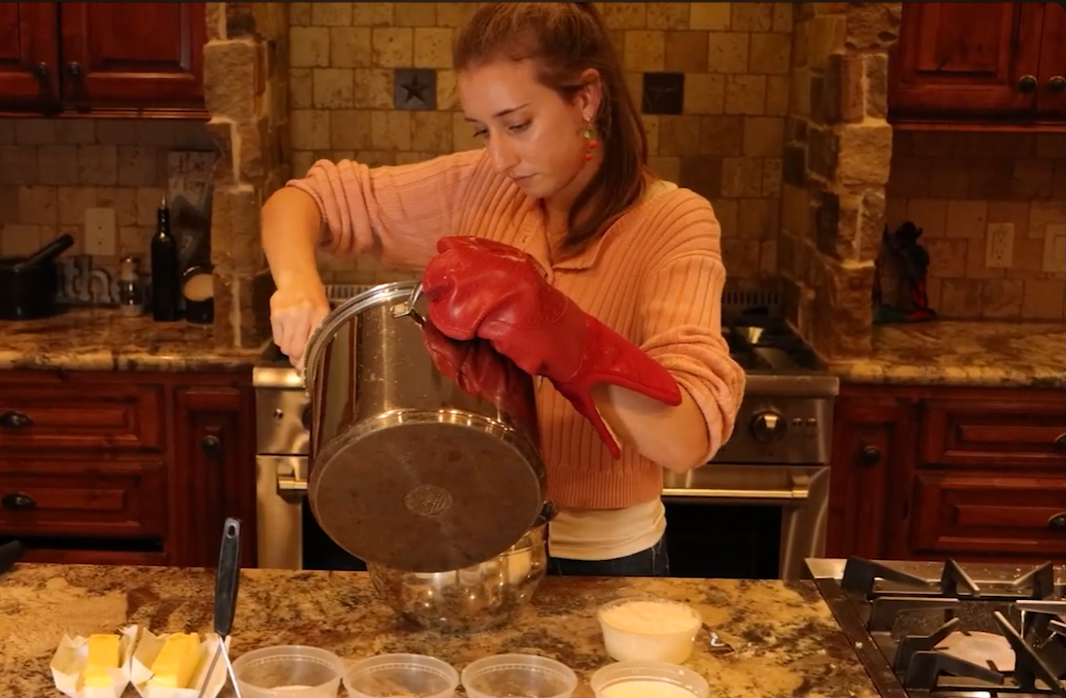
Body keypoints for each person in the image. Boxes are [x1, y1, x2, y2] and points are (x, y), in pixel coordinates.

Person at [260, 2, 745, 577]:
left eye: (517, 125)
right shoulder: (481, 186)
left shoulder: (674, 221)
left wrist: (563, 336)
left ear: (586, 98)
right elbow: (305, 200)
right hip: (467, 551)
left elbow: (688, 439)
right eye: (482, 130)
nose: (500, 156)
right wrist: (296, 286)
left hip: (602, 562)